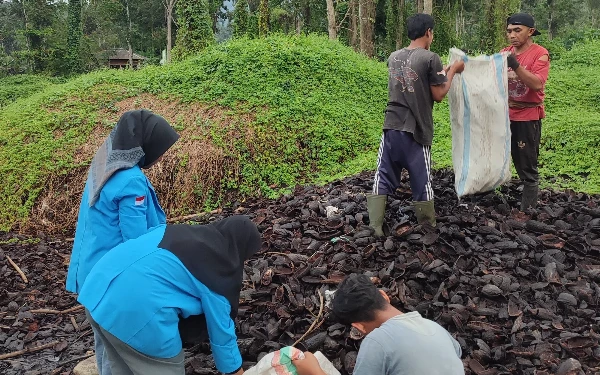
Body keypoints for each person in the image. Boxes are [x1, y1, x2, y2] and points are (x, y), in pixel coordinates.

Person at [66, 109, 179, 374]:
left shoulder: (104, 167)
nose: (161, 156)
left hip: (90, 273)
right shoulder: (130, 181)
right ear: (145, 145)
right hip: (112, 282)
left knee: (105, 347)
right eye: (160, 149)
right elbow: (136, 244)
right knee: (124, 357)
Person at [77, 216, 262, 375]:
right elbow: (222, 333)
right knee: (166, 367)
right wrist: (236, 371)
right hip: (134, 310)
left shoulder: (185, 234)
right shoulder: (220, 269)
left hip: (96, 288)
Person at [367, 13, 465, 236]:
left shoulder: (393, 56)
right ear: (428, 32)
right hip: (415, 128)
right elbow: (439, 93)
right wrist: (454, 70)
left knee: (383, 174)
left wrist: (445, 71)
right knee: (422, 179)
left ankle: (375, 227)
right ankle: (427, 227)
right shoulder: (430, 57)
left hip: (391, 125)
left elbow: (415, 79)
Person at [328, 274, 464, 375]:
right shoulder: (435, 327)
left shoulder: (377, 341)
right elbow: (457, 352)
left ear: (359, 326)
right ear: (384, 296)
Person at [501, 13, 550, 209]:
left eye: (517, 30)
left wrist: (515, 65)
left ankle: (528, 210)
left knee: (526, 164)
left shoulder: (540, 54)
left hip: (527, 117)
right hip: (505, 116)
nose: (512, 35)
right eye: (509, 31)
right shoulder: (504, 52)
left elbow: (537, 84)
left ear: (530, 32)